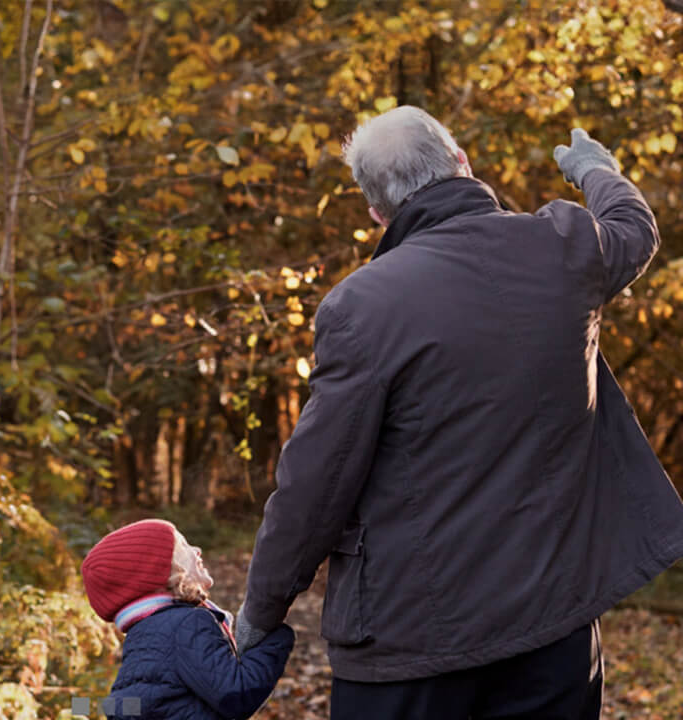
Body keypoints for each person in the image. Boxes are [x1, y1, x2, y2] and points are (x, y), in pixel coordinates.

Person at [234, 106, 683, 720]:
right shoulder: (563, 248)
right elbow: (634, 225)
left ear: (376, 212)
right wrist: (595, 169)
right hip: (553, 633)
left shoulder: (361, 307)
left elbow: (315, 484)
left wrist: (260, 611)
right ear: (462, 164)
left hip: (411, 647)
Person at [81, 518, 294, 719]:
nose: (197, 550)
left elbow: (133, 701)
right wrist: (276, 637)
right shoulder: (187, 624)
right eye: (183, 546)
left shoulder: (143, 634)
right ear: (160, 571)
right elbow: (236, 695)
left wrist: (80, 705)